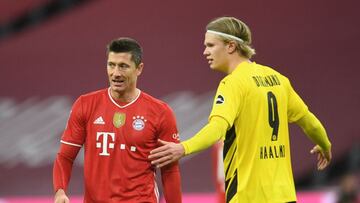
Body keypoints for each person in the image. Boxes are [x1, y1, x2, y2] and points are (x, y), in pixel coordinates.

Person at [149, 16, 332, 203]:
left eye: (211, 45)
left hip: (248, 196)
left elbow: (217, 128)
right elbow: (310, 122)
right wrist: (325, 145)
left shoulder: (233, 84)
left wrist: (183, 147)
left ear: (230, 46)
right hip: (284, 196)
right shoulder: (279, 79)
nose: (205, 52)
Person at [53, 37, 182, 203]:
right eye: (111, 65)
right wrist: (60, 191)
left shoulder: (160, 112)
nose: (116, 73)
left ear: (139, 69)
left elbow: (169, 170)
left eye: (123, 66)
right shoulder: (85, 104)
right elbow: (65, 157)